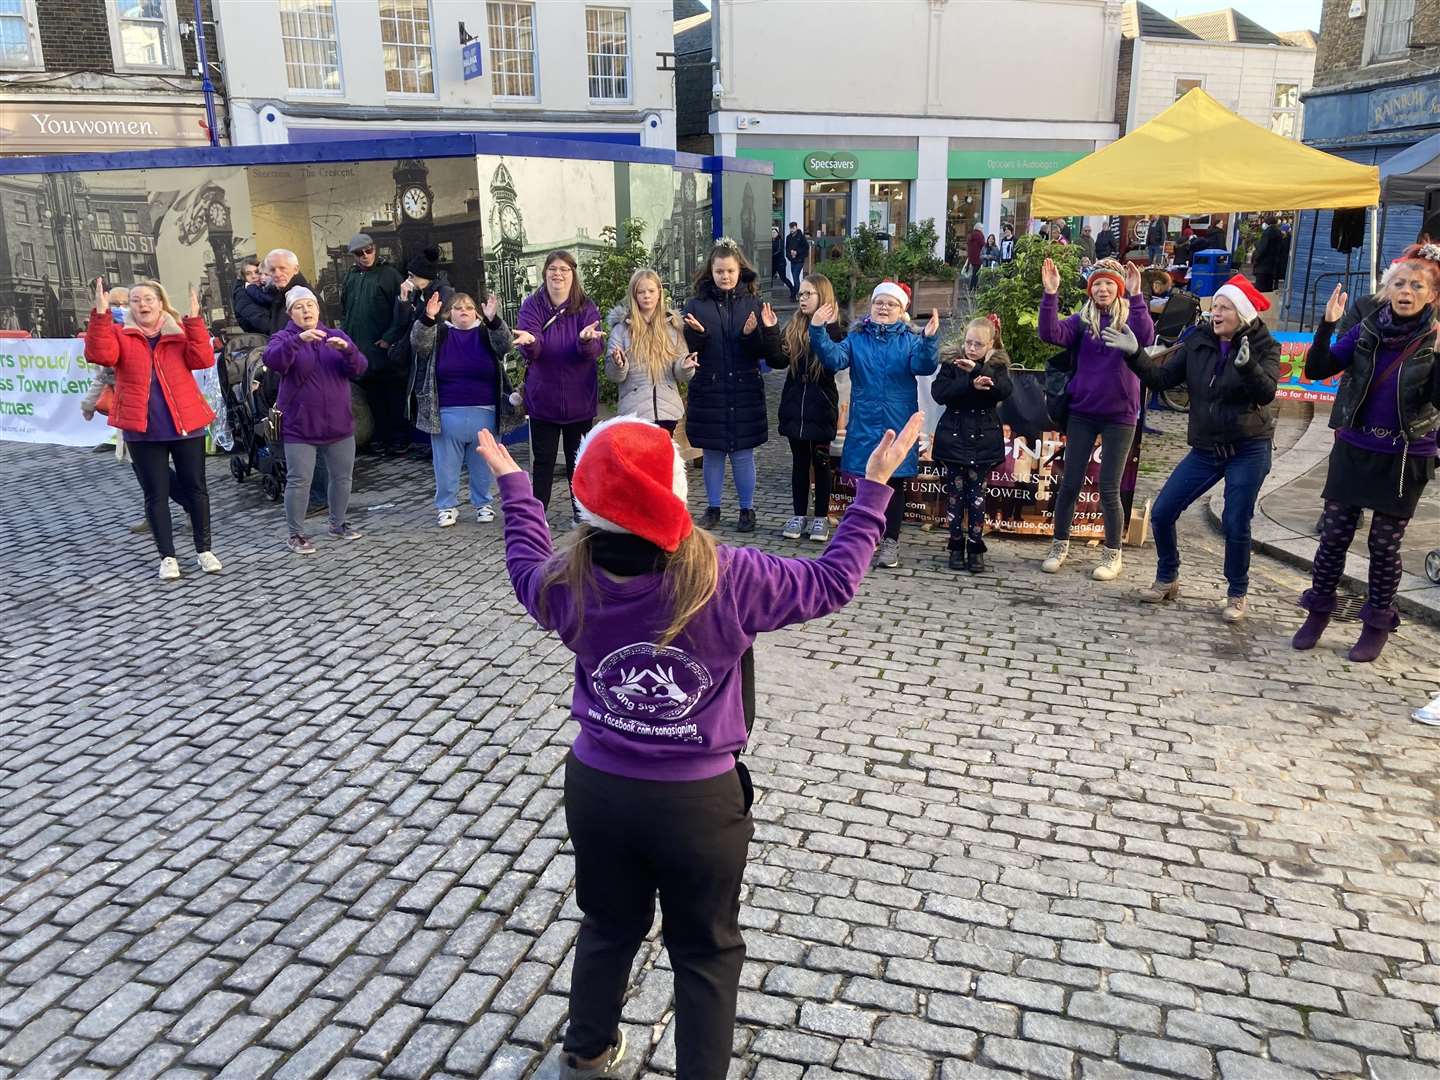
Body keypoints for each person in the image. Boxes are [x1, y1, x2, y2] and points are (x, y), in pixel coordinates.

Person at [475, 409, 925, 1080]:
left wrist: (516, 488)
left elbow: (522, 565)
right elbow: (833, 582)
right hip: (699, 802)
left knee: (606, 925)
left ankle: (586, 1053)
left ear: (586, 505)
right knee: (706, 953)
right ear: (677, 493)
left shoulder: (566, 580)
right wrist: (873, 491)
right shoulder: (728, 575)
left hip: (599, 789)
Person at [1292, 249, 1440, 662]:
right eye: (1399, 283)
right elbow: (1319, 368)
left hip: (1405, 454)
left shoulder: (1434, 337)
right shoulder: (1368, 329)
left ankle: (1376, 623)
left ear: (1431, 295)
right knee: (1334, 535)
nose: (1406, 291)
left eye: (1417, 285)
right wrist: (1327, 325)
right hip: (1354, 445)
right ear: (1386, 289)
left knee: (1384, 544)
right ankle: (1317, 612)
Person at [1106, 274, 1280, 621]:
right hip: (1206, 447)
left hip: (1248, 447)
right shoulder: (1199, 341)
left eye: (1224, 308)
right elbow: (1161, 379)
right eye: (1214, 306)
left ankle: (1236, 593)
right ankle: (1168, 577)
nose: (1215, 313)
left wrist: (1248, 368)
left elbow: (1266, 393)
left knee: (1234, 521)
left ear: (1242, 313)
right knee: (1163, 511)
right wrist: (1134, 355)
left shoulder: (1264, 346)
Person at [83, 277, 222, 580]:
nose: (143, 304)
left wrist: (196, 320)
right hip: (142, 429)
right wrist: (101, 314)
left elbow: (201, 359)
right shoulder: (121, 335)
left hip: (185, 424)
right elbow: (99, 354)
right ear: (129, 306)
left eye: (148, 299)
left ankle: (204, 550)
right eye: (136, 300)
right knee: (156, 494)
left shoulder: (179, 332)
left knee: (197, 489)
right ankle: (167, 557)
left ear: (161, 303)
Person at [808, 281, 941, 568]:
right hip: (865, 421)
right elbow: (834, 359)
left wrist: (930, 339)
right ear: (871, 307)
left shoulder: (910, 339)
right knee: (864, 484)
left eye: (891, 304)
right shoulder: (857, 338)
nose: (884, 308)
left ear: (901, 310)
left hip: (897, 420)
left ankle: (891, 542)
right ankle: (867, 539)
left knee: (894, 484)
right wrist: (817, 330)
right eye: (879, 302)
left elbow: (924, 366)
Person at [1037, 256, 1155, 581]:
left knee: (1109, 488)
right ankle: (1059, 545)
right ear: (1091, 290)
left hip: (1120, 415)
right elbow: (1050, 333)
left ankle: (1112, 554)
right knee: (1070, 483)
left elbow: (1146, 337)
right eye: (1097, 284)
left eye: (1109, 284)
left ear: (1117, 288)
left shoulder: (1129, 318)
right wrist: (1050, 295)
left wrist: (1136, 296)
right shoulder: (1082, 321)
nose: (1103, 289)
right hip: (1082, 413)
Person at [683, 240, 783, 532]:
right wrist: (698, 336)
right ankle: (713, 507)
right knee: (712, 453)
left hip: (744, 389)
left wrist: (753, 334)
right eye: (719, 271)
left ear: (740, 270)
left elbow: (764, 352)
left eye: (730, 271)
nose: (725, 276)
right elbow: (689, 350)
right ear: (710, 272)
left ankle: (746, 509)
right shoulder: (696, 305)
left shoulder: (754, 303)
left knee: (742, 454)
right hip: (710, 389)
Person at [264, 286, 367, 554]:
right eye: (299, 307)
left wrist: (348, 350)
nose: (306, 310)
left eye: (310, 305)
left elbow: (360, 368)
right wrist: (299, 341)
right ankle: (296, 534)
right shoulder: (283, 337)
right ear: (290, 313)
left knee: (342, 477)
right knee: (299, 479)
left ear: (319, 309)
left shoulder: (335, 335)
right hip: (300, 426)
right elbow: (273, 361)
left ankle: (338, 524)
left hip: (339, 424)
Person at [410, 290, 521, 527]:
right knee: (445, 464)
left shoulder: (486, 331)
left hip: (487, 410)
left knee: (484, 463)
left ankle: (483, 504)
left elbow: (506, 345)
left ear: (477, 313)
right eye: (458, 308)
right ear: (449, 312)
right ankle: (446, 507)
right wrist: (428, 317)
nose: (464, 311)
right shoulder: (440, 333)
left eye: (470, 307)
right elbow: (419, 344)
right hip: (447, 412)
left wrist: (494, 320)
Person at [517, 250, 604, 521]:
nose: (558, 274)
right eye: (553, 269)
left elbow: (594, 350)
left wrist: (586, 341)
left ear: (573, 274)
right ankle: (537, 516)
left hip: (579, 398)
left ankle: (581, 514)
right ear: (545, 273)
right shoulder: (532, 305)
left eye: (564, 270)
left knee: (578, 463)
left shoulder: (586, 306)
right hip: (544, 397)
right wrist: (531, 343)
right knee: (542, 462)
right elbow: (533, 346)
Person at [931, 314, 1013, 573]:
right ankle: (955, 545)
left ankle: (975, 547)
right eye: (969, 342)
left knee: (977, 497)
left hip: (982, 440)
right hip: (954, 437)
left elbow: (1003, 391)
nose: (972, 348)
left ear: (990, 345)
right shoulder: (952, 363)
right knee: (955, 496)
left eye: (978, 344)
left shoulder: (996, 365)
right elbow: (939, 394)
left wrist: (979, 371)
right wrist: (969, 384)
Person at [777, 273, 843, 543]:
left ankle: (820, 517)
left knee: (822, 462)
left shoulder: (835, 329)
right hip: (795, 404)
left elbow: (833, 363)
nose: (801, 298)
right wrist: (770, 332)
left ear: (822, 297)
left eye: (808, 294)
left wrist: (820, 328)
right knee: (799, 463)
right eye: (801, 294)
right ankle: (798, 514)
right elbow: (777, 359)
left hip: (821, 405)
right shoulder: (793, 325)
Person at [605, 269, 695, 434]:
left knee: (663, 459)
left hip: (667, 411)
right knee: (638, 460)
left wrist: (686, 366)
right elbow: (613, 375)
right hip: (634, 411)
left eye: (651, 291)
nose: (646, 295)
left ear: (659, 293)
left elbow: (681, 374)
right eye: (641, 291)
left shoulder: (673, 328)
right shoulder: (621, 330)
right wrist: (619, 364)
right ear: (634, 295)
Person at [340, 232, 406, 455]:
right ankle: (380, 437)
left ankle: (399, 438)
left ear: (375, 249)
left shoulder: (390, 275)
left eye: (369, 250)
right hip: (361, 347)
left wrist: (389, 338)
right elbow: (346, 310)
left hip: (383, 348)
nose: (365, 256)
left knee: (392, 394)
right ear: (353, 256)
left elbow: (402, 311)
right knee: (372, 395)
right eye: (360, 253)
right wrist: (347, 341)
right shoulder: (350, 277)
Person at [388, 247, 453, 457]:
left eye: (411, 275)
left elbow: (438, 324)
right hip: (420, 355)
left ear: (422, 277)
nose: (408, 279)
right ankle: (432, 444)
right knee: (424, 397)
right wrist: (404, 299)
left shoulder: (443, 293)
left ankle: (442, 446)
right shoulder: (419, 294)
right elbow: (403, 323)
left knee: (436, 399)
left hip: (437, 355)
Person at [232, 259, 269, 334]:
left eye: (257, 272)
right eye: (248, 274)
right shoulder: (242, 294)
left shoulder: (264, 289)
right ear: (244, 277)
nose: (254, 276)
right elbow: (261, 322)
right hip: (262, 339)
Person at [1251, 216, 1287, 294]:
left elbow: (1262, 248)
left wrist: (1256, 258)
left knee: (1260, 290)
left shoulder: (1267, 232)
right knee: (1268, 290)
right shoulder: (1278, 232)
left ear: (1267, 223)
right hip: (1272, 266)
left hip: (1263, 266)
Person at [785, 222, 809, 302]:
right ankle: (794, 295)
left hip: (799, 260)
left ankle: (793, 295)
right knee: (795, 278)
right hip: (793, 261)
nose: (792, 229)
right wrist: (790, 256)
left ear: (796, 227)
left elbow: (805, 248)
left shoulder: (801, 237)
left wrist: (797, 252)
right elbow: (787, 249)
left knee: (795, 277)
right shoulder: (788, 237)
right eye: (791, 228)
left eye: (793, 227)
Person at [967, 223, 984, 290]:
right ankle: (973, 287)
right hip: (978, 257)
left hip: (972, 256)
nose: (982, 229)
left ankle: (972, 286)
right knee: (976, 273)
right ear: (979, 228)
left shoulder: (971, 235)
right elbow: (982, 245)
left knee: (974, 272)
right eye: (982, 228)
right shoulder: (980, 235)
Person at [770, 225, 785, 291]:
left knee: (783, 278)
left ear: (777, 233)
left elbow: (779, 250)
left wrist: (771, 255)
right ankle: (768, 291)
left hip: (780, 262)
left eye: (774, 233)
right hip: (774, 262)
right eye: (772, 233)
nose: (773, 234)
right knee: (770, 277)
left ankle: (793, 290)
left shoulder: (779, 240)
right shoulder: (772, 241)